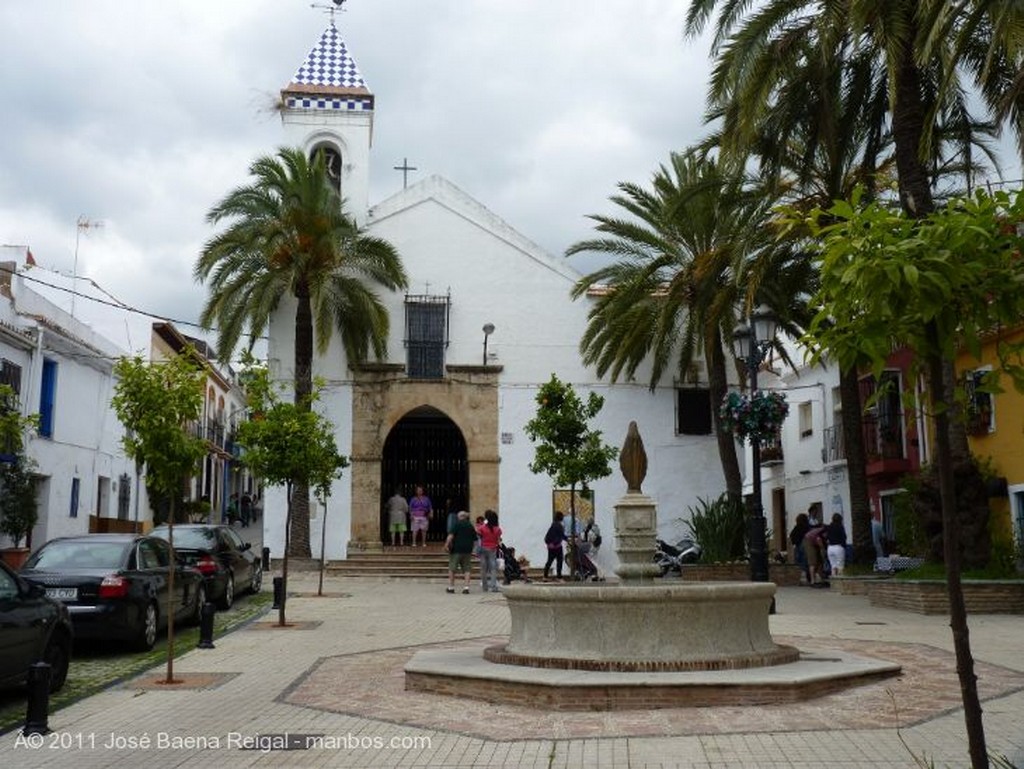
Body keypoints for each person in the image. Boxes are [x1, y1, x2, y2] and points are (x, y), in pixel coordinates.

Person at [445, 511, 478, 593]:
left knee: (452, 568)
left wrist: (446, 544)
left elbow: (451, 536)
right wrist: (473, 549)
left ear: (459, 517)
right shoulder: (470, 526)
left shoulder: (456, 524)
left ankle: (451, 587)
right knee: (467, 569)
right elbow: (475, 540)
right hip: (467, 550)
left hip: (456, 550)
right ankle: (466, 587)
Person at [476, 509, 502, 592]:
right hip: (492, 549)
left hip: (483, 548)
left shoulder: (482, 528)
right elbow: (498, 539)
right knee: (493, 568)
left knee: (483, 568)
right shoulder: (497, 529)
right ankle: (493, 586)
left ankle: (485, 586)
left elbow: (478, 535)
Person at [543, 512, 568, 581]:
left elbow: (548, 536)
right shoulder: (559, 526)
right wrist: (568, 539)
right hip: (557, 546)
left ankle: (545, 576)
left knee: (549, 561)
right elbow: (562, 535)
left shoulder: (553, 525)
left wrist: (550, 543)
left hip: (550, 547)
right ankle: (559, 576)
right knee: (559, 561)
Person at [789, 513, 811, 584]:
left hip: (797, 546)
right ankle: (807, 578)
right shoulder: (807, 527)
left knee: (798, 562)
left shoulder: (797, 527)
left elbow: (791, 535)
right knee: (806, 562)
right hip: (805, 546)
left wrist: (794, 543)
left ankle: (800, 578)